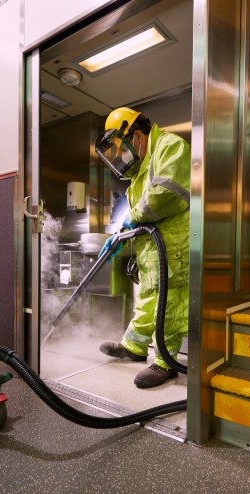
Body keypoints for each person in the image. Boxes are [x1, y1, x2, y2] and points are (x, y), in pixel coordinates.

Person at [94, 107, 190, 388]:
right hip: (151, 249)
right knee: (149, 296)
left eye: (121, 149)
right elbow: (138, 213)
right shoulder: (138, 172)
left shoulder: (170, 146)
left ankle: (164, 362)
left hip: (173, 246)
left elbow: (166, 194)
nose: (122, 157)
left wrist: (130, 220)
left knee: (170, 302)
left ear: (135, 136)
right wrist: (124, 238)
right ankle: (134, 346)